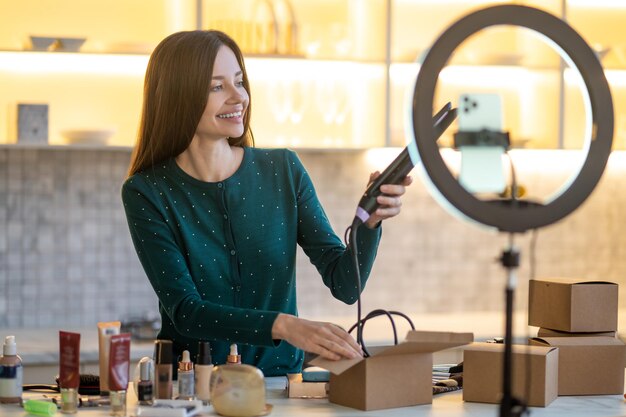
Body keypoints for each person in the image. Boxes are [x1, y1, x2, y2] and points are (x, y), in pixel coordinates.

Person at [121, 30, 412, 377]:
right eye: (217, 87)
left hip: (279, 386)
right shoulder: (147, 191)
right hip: (191, 389)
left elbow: (345, 284)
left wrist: (370, 224)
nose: (238, 97)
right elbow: (186, 311)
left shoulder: (283, 170)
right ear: (177, 96)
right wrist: (286, 326)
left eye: (239, 82)